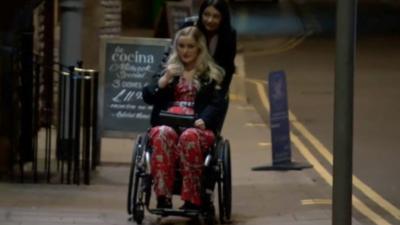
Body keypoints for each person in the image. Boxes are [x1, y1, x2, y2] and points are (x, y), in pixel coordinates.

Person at [142, 26, 225, 210]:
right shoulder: (167, 70)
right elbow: (147, 96)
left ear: (199, 49)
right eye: (181, 46)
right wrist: (164, 80)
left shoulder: (210, 75)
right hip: (168, 123)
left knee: (189, 137)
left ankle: (192, 198)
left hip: (197, 126)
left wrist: (205, 119)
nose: (185, 51)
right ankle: (163, 196)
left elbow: (217, 103)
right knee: (163, 133)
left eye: (190, 46)